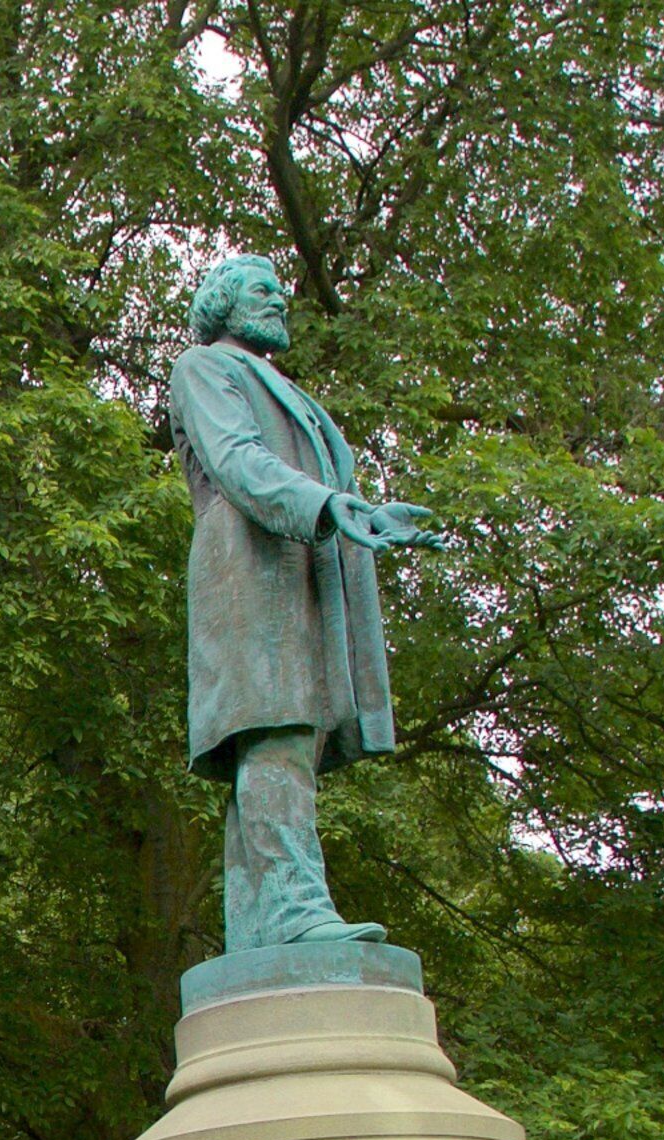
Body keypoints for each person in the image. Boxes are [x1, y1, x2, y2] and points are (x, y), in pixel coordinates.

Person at [169, 252, 443, 952]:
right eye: (262, 290)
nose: (280, 300)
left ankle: (260, 928)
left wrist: (360, 514)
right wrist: (329, 506)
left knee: (288, 740)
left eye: (281, 291)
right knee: (276, 732)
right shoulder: (205, 368)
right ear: (222, 304)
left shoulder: (289, 391)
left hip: (298, 585)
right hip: (249, 582)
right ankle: (292, 911)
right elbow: (239, 463)